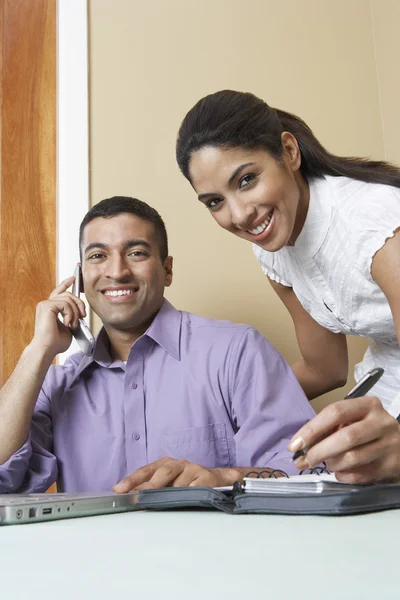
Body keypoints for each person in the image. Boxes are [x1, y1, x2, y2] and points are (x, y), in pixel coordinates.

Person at [0, 196, 316, 494]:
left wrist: (224, 477)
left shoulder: (237, 353)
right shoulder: (57, 386)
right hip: (96, 554)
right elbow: (5, 479)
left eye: (136, 253)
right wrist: (38, 351)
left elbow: (306, 471)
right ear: (80, 278)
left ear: (167, 270)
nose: (117, 271)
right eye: (98, 256)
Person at [176, 89, 400, 484]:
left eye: (247, 179)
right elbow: (324, 368)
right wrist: (218, 414)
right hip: (388, 379)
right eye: (214, 202)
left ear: (289, 152)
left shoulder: (374, 223)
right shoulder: (274, 252)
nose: (240, 215)